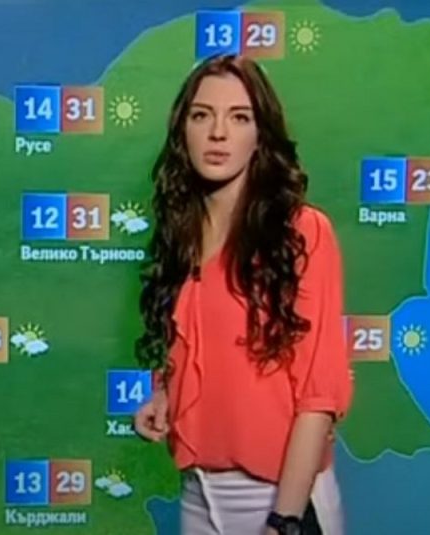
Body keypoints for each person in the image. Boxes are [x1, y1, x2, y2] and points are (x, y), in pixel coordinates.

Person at [133, 53, 354, 535]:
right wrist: (168, 394)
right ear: (183, 130)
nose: (218, 133)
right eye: (202, 115)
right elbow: (208, 344)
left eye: (239, 118)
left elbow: (317, 394)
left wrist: (285, 519)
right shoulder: (182, 235)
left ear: (260, 136)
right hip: (198, 492)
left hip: (280, 496)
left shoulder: (301, 234)